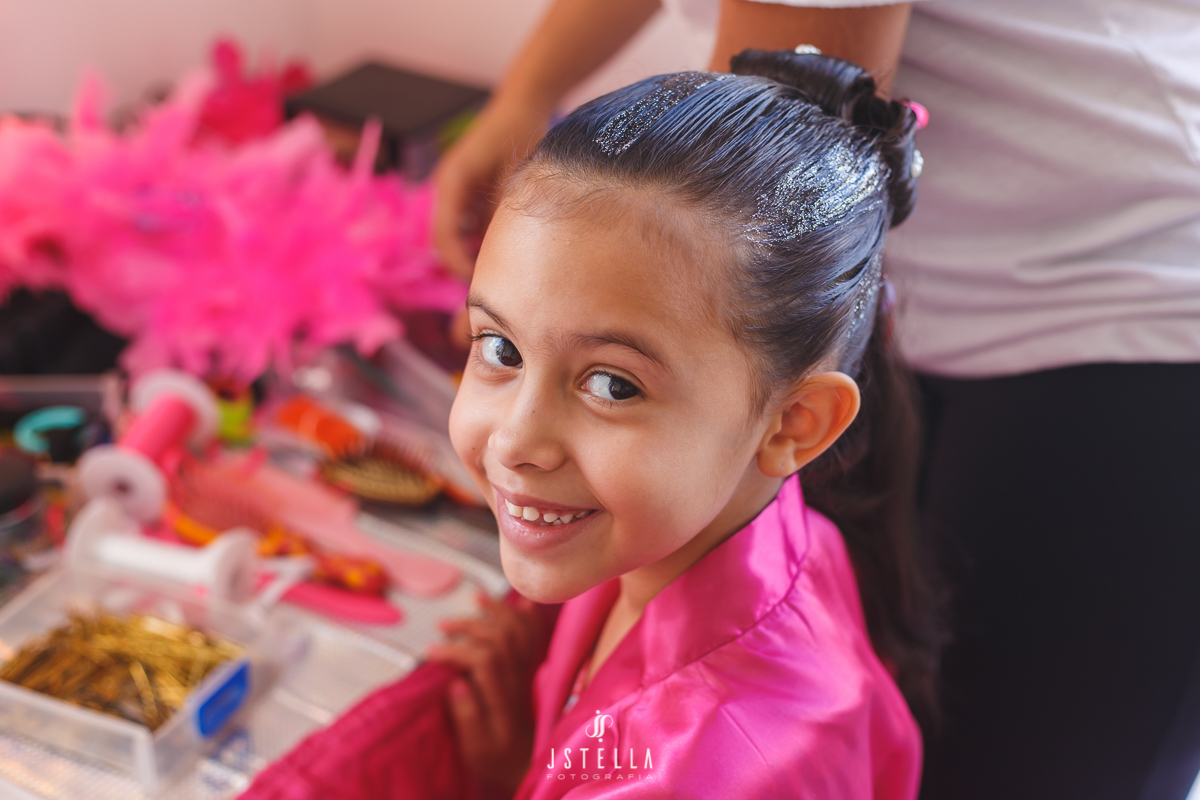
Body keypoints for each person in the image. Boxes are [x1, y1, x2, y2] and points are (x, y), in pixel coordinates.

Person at [426, 48, 938, 798]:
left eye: (613, 385)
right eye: (500, 348)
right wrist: (531, 773)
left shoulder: (699, 773)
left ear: (794, 423)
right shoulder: (726, 527)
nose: (514, 441)